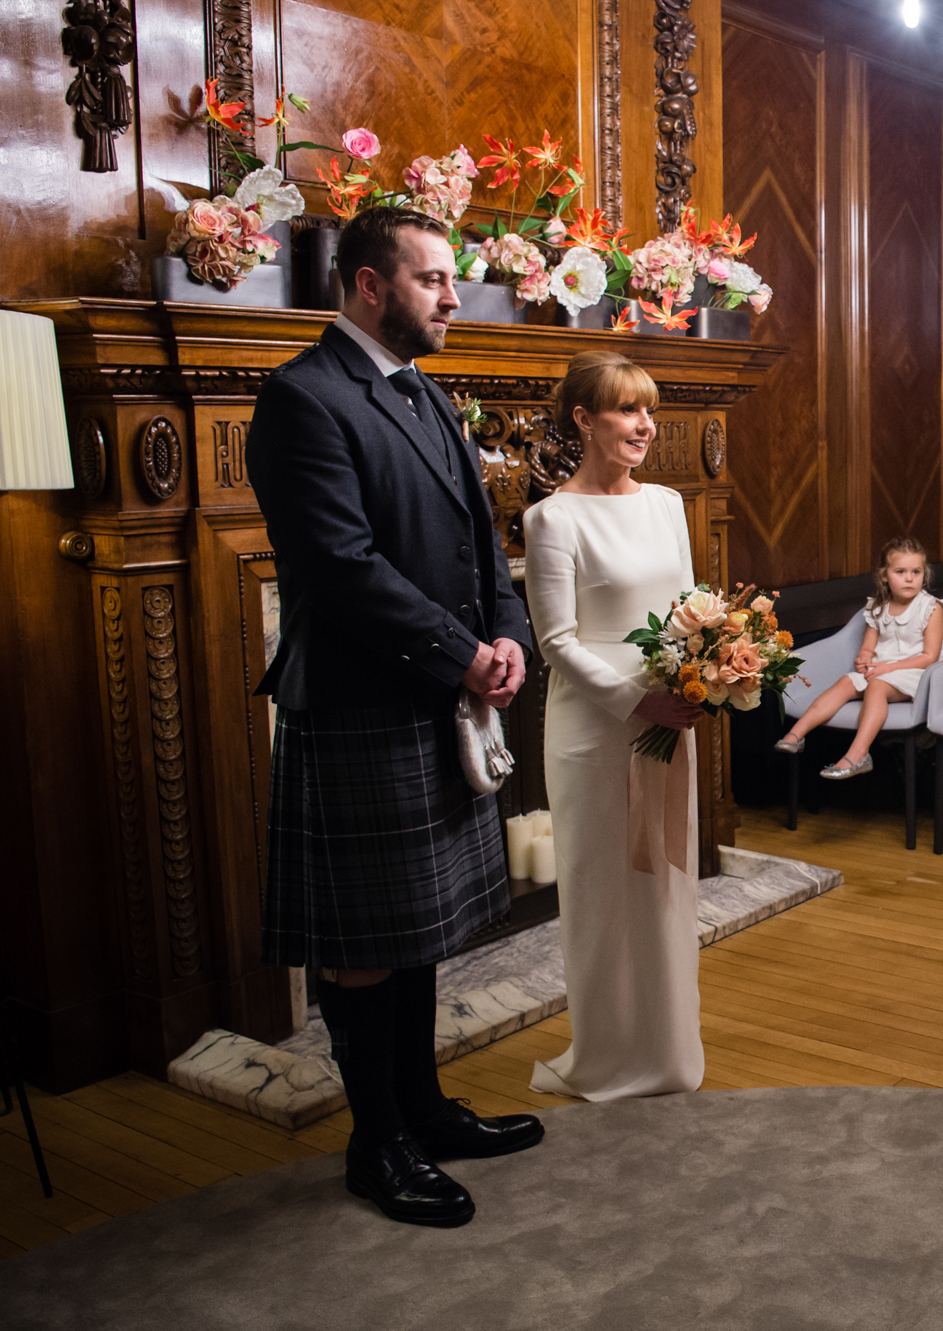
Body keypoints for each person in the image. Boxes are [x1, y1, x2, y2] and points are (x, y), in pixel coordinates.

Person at [250, 206, 544, 1228]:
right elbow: (337, 568)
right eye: (433, 280)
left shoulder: (425, 396)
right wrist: (460, 653)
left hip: (437, 692)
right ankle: (376, 1142)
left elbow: (481, 540)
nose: (454, 296)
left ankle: (422, 1107)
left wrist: (507, 632)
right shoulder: (303, 398)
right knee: (366, 941)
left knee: (414, 932)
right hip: (359, 703)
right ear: (370, 285)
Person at [522, 351, 708, 1099]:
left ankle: (666, 1053)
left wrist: (710, 675)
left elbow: (694, 608)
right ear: (584, 420)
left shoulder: (666, 503)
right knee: (605, 891)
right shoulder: (552, 518)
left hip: (671, 719)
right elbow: (556, 643)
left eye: (648, 410)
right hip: (596, 732)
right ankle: (605, 1053)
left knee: (667, 886)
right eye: (628, 410)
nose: (645, 425)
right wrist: (640, 701)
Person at [776, 537, 943, 779]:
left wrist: (887, 668)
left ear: (924, 574)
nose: (910, 578)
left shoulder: (931, 607)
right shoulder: (878, 607)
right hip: (880, 671)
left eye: (916, 572)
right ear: (885, 576)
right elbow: (868, 647)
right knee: (846, 681)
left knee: (876, 686)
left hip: (916, 674)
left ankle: (858, 754)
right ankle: (795, 736)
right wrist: (863, 660)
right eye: (901, 571)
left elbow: (930, 657)